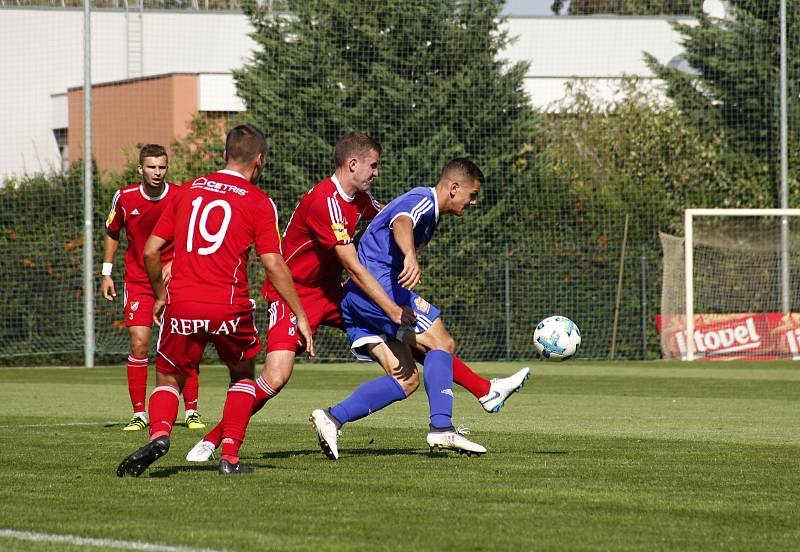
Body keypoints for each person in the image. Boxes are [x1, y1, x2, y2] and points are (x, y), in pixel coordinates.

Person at [186, 135, 528, 462]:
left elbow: (387, 218)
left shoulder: (361, 199)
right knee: (276, 377)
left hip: (333, 291)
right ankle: (214, 439)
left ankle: (475, 394)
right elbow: (356, 261)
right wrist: (393, 304)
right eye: (373, 166)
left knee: (410, 371)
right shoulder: (326, 201)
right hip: (294, 293)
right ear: (353, 164)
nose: (377, 173)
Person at [116, 124, 313, 477]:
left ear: (224, 154)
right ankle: (230, 458)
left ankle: (160, 435)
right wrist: (299, 312)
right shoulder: (258, 201)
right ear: (259, 160)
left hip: (183, 302)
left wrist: (161, 294)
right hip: (229, 305)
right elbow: (273, 263)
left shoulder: (186, 191)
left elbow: (149, 251)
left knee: (168, 376)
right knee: (241, 374)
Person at [310, 158, 508, 458]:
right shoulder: (423, 199)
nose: (474, 202)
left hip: (358, 297)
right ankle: (443, 427)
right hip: (376, 290)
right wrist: (410, 256)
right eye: (472, 194)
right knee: (442, 341)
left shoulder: (432, 216)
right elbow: (401, 220)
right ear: (454, 188)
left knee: (407, 380)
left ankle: (332, 417)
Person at [101, 144, 205, 432]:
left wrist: (176, 264)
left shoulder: (181, 196)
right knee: (139, 342)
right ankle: (139, 413)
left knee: (185, 342)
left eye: (162, 167)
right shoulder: (125, 197)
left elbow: (193, 236)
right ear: (140, 169)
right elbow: (112, 232)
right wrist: (106, 273)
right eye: (151, 167)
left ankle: (192, 411)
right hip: (137, 281)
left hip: (175, 280)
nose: (157, 172)